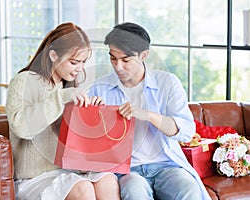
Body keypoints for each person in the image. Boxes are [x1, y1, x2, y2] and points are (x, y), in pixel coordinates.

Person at [89, 22, 211, 200]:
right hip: (127, 170)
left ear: (144, 55)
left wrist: (147, 115)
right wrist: (91, 116)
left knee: (188, 189)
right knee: (134, 191)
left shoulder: (168, 83)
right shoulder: (100, 88)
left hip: (167, 165)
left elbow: (186, 132)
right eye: (113, 58)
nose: (117, 66)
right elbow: (89, 142)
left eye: (125, 60)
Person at [5, 22, 120, 200]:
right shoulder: (23, 82)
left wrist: (95, 114)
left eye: (83, 62)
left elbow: (77, 141)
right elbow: (22, 128)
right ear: (53, 55)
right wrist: (60, 98)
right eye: (74, 62)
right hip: (33, 177)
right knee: (82, 189)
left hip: (69, 170)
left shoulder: (70, 85)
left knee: (107, 180)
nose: (80, 69)